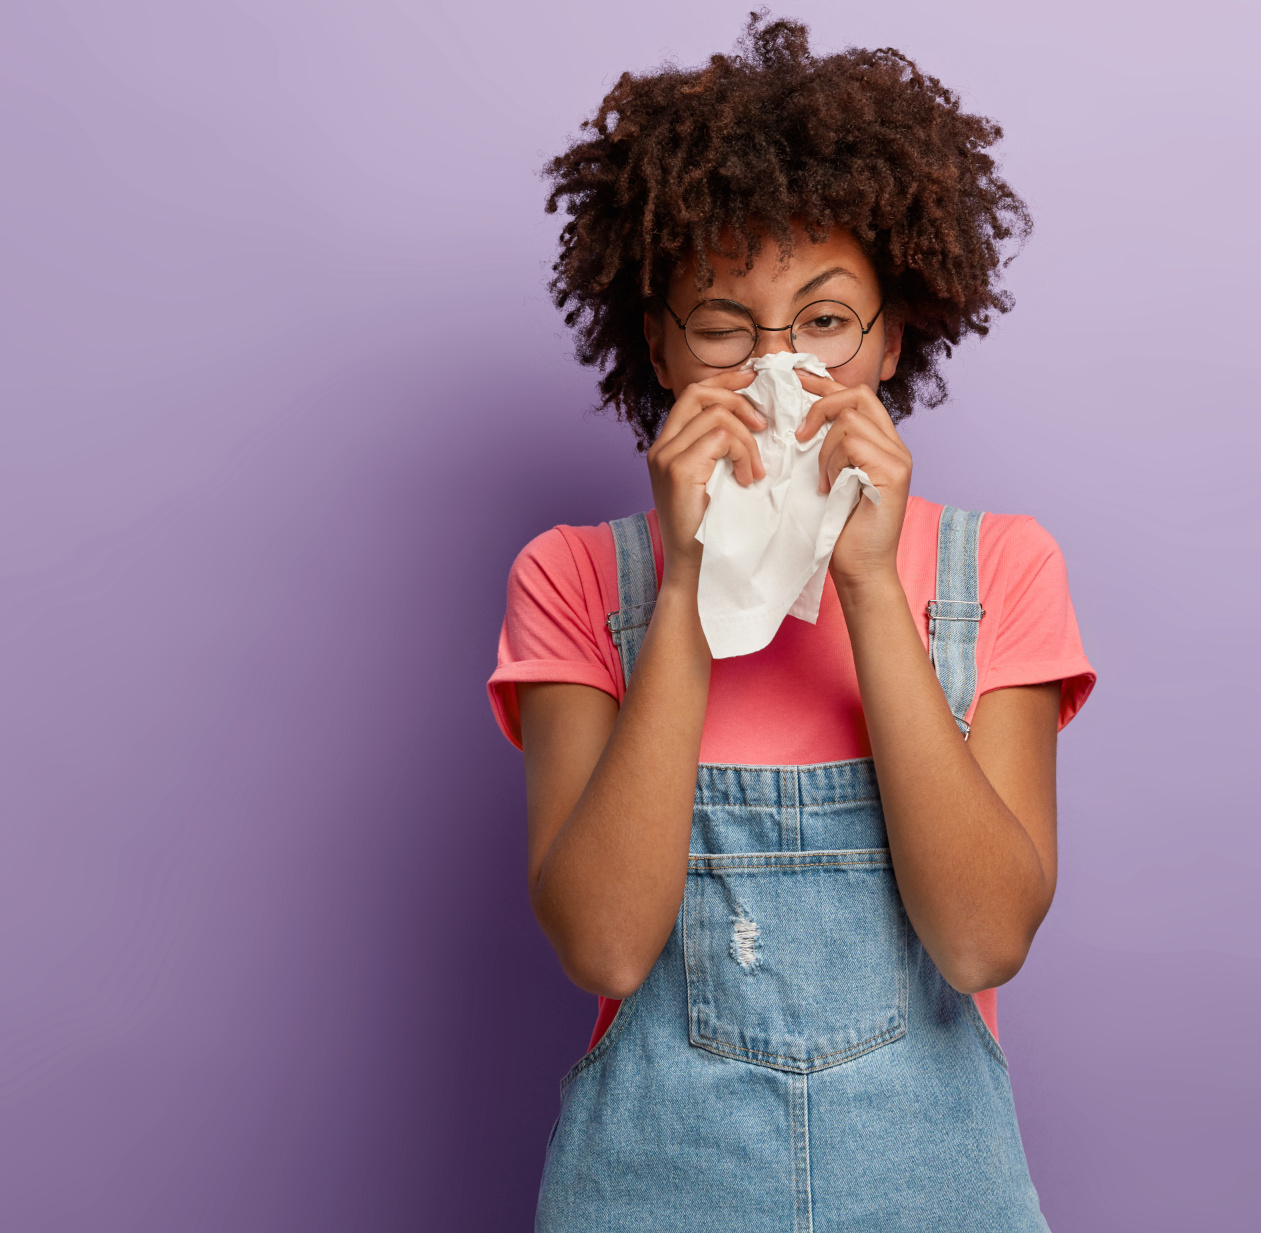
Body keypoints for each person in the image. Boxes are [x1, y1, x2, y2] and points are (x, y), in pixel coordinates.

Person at [486, 17, 1095, 1231]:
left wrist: (870, 585)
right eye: (723, 327)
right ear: (657, 341)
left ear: (890, 336)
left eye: (822, 324)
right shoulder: (571, 579)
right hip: (655, 1192)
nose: (777, 369)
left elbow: (981, 942)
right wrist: (686, 594)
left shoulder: (998, 569)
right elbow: (605, 949)